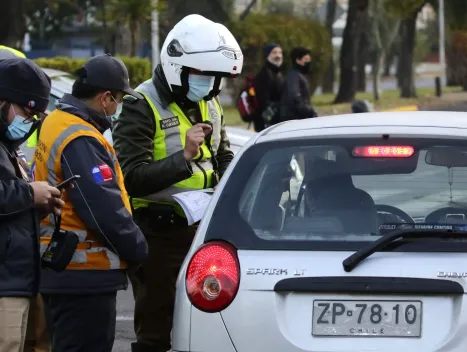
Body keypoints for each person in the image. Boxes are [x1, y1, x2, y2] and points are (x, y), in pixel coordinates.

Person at [112, 14, 242, 352]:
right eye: (203, 75)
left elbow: (221, 155)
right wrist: (184, 157)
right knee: (157, 331)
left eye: (216, 78)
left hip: (204, 229)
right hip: (157, 234)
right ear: (177, 68)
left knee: (210, 323)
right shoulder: (139, 106)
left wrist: (232, 185)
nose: (211, 85)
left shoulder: (209, 102)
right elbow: (132, 179)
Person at [32, 54, 148, 352]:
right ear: (105, 97)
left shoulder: (56, 121)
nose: (117, 107)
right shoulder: (81, 137)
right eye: (119, 100)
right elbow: (104, 210)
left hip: (62, 269)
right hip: (85, 277)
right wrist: (139, 251)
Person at [0, 57, 64, 352]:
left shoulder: (9, 148)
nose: (32, 121)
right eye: (28, 111)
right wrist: (29, 193)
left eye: (38, 114)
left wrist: (41, 202)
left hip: (19, 281)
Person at [279, 46, 317, 122]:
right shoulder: (294, 76)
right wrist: (309, 111)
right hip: (295, 119)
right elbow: (295, 98)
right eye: (306, 59)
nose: (308, 62)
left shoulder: (298, 75)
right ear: (297, 60)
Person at [252, 43, 284, 131]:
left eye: (280, 53)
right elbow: (263, 102)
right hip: (266, 123)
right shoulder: (264, 74)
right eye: (274, 53)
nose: (278, 56)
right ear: (267, 55)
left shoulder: (277, 72)